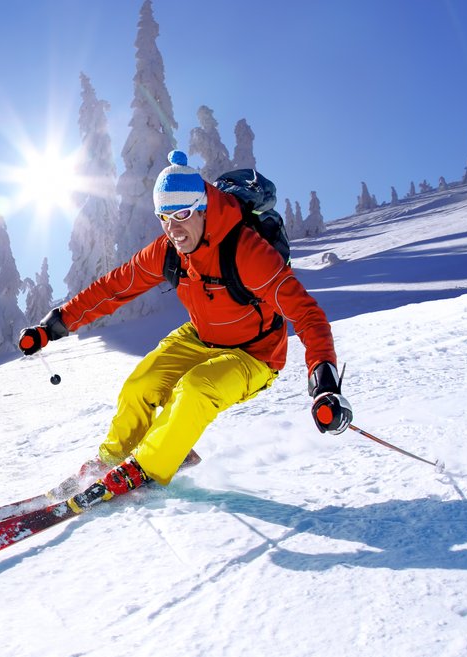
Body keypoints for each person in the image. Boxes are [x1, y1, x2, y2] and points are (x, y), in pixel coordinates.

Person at [18, 150, 352, 504]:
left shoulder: (246, 252)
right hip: (201, 336)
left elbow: (307, 314)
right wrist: (53, 326)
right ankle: (111, 461)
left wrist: (324, 383)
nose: (174, 229)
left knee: (195, 389)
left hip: (255, 353)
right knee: (140, 384)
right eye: (164, 218)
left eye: (182, 215)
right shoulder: (168, 250)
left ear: (204, 207)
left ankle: (147, 468)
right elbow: (114, 287)